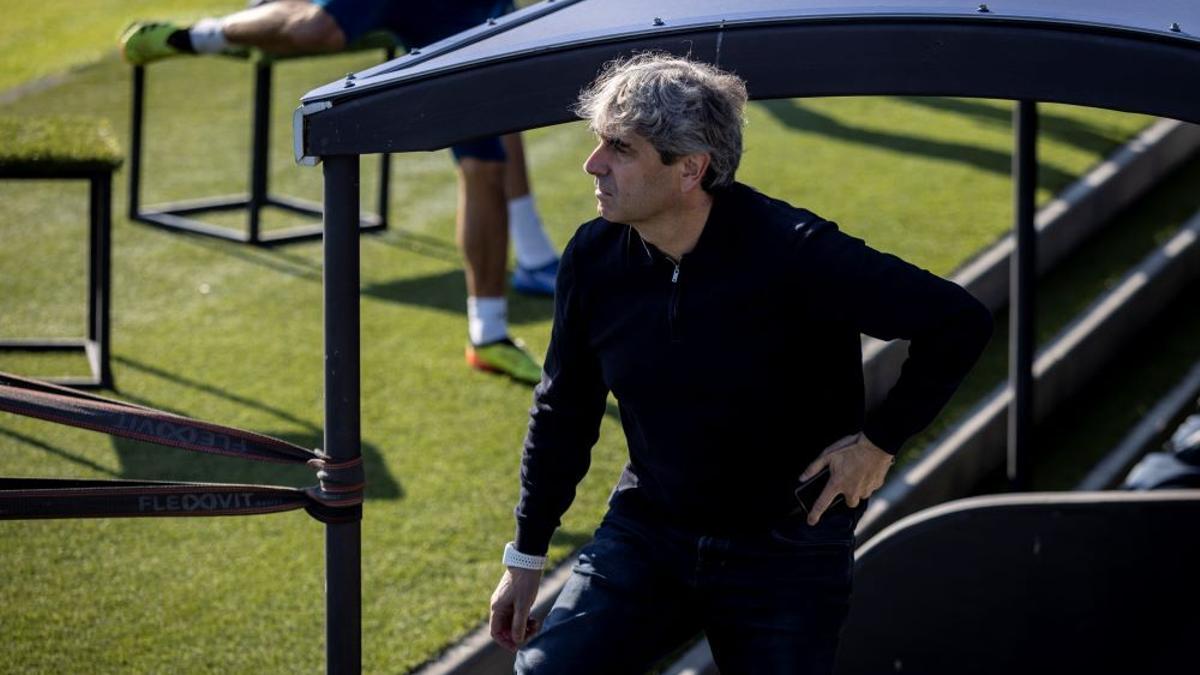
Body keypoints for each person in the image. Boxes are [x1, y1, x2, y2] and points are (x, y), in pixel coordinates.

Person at [487, 53, 995, 673]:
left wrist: (880, 443)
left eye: (620, 148)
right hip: (650, 531)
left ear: (691, 169)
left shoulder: (798, 252)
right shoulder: (594, 257)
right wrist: (526, 556)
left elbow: (958, 321)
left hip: (786, 546)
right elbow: (564, 406)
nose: (593, 164)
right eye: (599, 143)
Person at [119, 0, 560, 385]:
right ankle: (195, 36)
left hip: (458, 11)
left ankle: (489, 333)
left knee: (488, 153)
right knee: (319, 29)